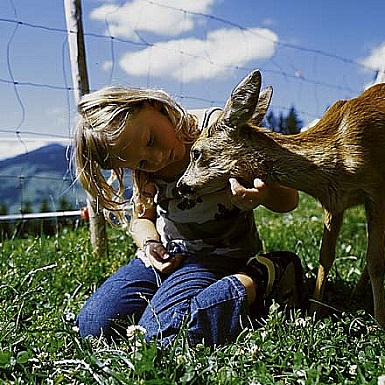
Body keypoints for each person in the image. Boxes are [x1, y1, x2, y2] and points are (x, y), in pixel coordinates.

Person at [74, 84, 304, 347]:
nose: (156, 158)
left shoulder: (217, 130)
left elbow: (289, 200)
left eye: (150, 140)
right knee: (93, 326)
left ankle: (263, 275)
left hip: (218, 258)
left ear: (153, 105)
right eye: (140, 163)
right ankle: (185, 298)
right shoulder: (145, 166)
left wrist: (262, 195)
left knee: (164, 336)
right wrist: (150, 245)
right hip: (169, 256)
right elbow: (141, 219)